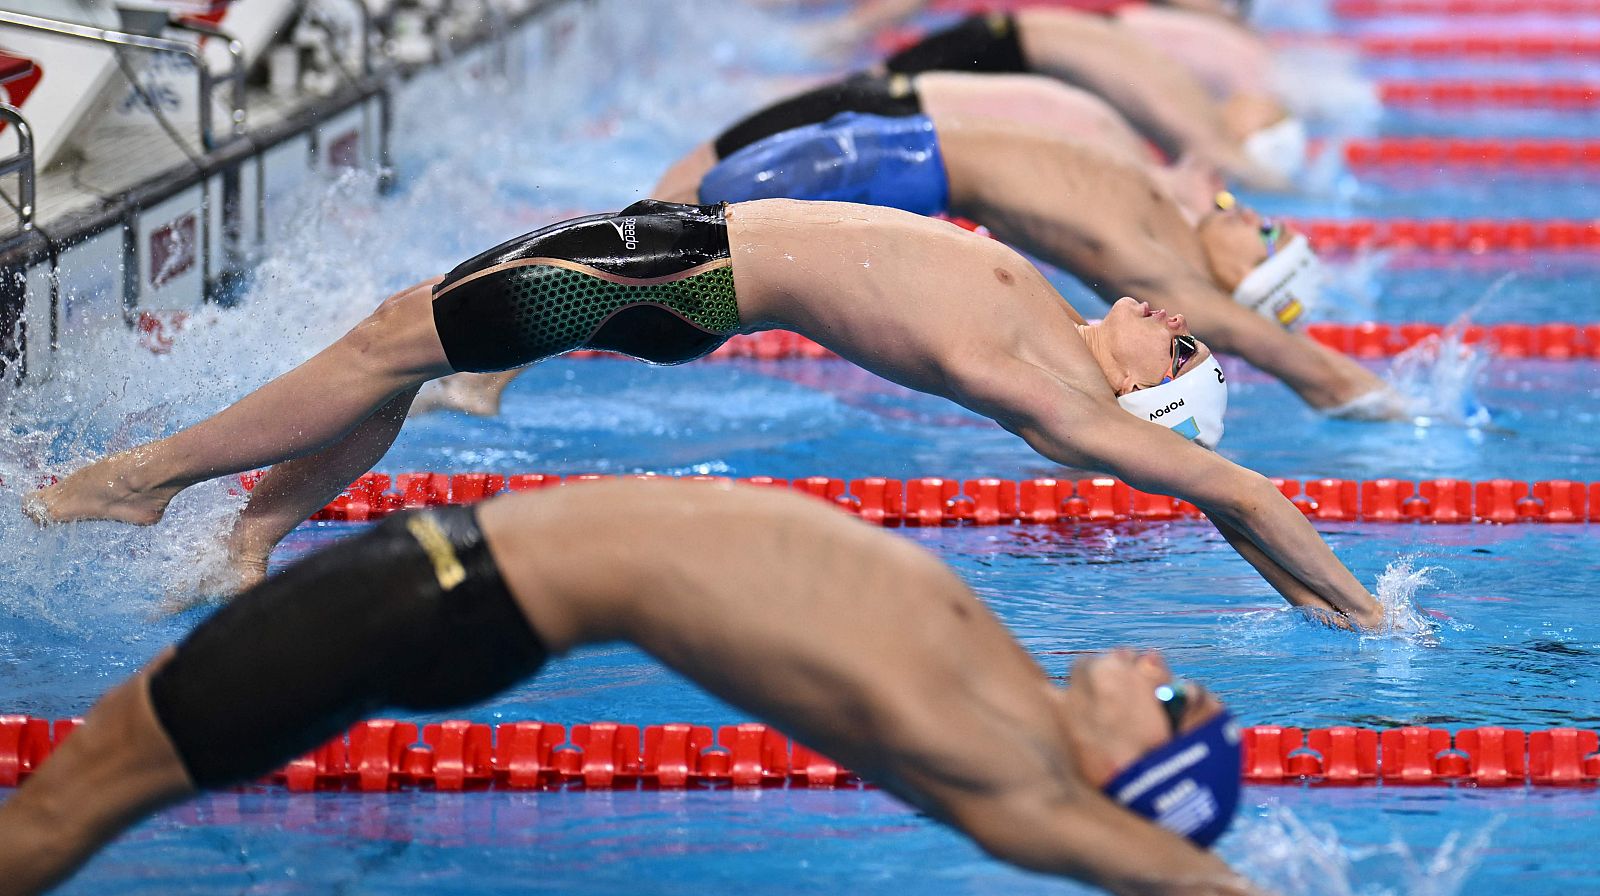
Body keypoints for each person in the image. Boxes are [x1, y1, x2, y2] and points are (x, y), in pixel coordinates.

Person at [26, 198, 1384, 629]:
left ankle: (147, 479)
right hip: (684, 252)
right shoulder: (1058, 332)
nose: (1172, 315)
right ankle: (244, 539)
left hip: (684, 271)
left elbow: (1237, 495)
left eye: (1185, 345)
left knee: (392, 341)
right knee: (399, 347)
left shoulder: (1053, 389)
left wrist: (1362, 613)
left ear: (1152, 389)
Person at [0, 480, 1263, 896]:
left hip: (432, 594)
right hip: (451, 582)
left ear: (1123, 777)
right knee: (73, 800)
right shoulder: (1001, 696)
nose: (1163, 670)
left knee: (62, 811)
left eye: (1171, 707)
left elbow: (1178, 876)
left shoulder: (998, 769)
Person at [658, 112, 1393, 418]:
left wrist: (1386, 401)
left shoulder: (1155, 268)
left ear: (1241, 285)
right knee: (658, 221)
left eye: (1265, 238)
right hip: (879, 144)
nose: (1254, 217)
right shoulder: (1173, 218)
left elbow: (1278, 350)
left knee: (658, 228)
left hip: (868, 163)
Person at [653, 70, 1223, 223]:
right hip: (881, 117)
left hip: (886, 108)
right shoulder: (1110, 161)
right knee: (689, 196)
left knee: (691, 190)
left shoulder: (1113, 147)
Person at [879, 10, 1300, 186]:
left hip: (1002, 43)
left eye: (1270, 119)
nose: (1268, 106)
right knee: (872, 95)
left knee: (871, 95)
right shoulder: (1193, 115)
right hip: (1001, 43)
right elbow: (1229, 164)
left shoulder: (1189, 109)